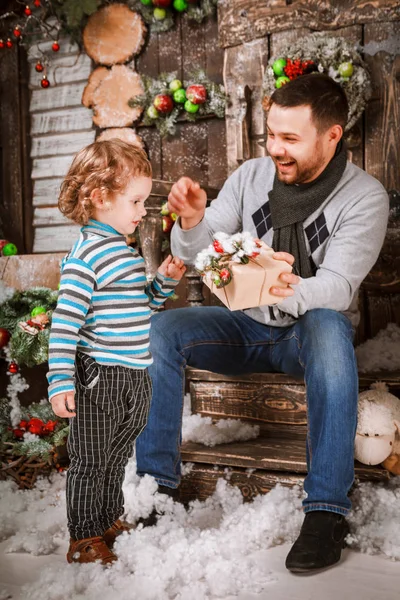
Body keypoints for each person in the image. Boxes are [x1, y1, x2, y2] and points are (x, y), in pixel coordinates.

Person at [136, 74, 389, 573]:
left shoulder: (364, 197)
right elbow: (200, 251)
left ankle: (325, 512)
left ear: (332, 135)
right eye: (271, 135)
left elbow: (338, 286)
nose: (276, 148)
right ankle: (156, 489)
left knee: (329, 325)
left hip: (308, 338)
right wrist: (190, 224)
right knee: (162, 331)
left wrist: (279, 285)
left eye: (290, 138)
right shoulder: (251, 177)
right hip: (247, 327)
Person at [46, 139, 186, 565]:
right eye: (136, 201)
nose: (143, 211)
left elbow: (139, 307)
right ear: (101, 197)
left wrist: (161, 282)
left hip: (133, 373)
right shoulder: (85, 256)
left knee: (116, 453)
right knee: (91, 459)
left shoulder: (122, 252)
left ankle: (105, 519)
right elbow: (65, 323)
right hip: (99, 374)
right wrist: (60, 380)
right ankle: (84, 537)